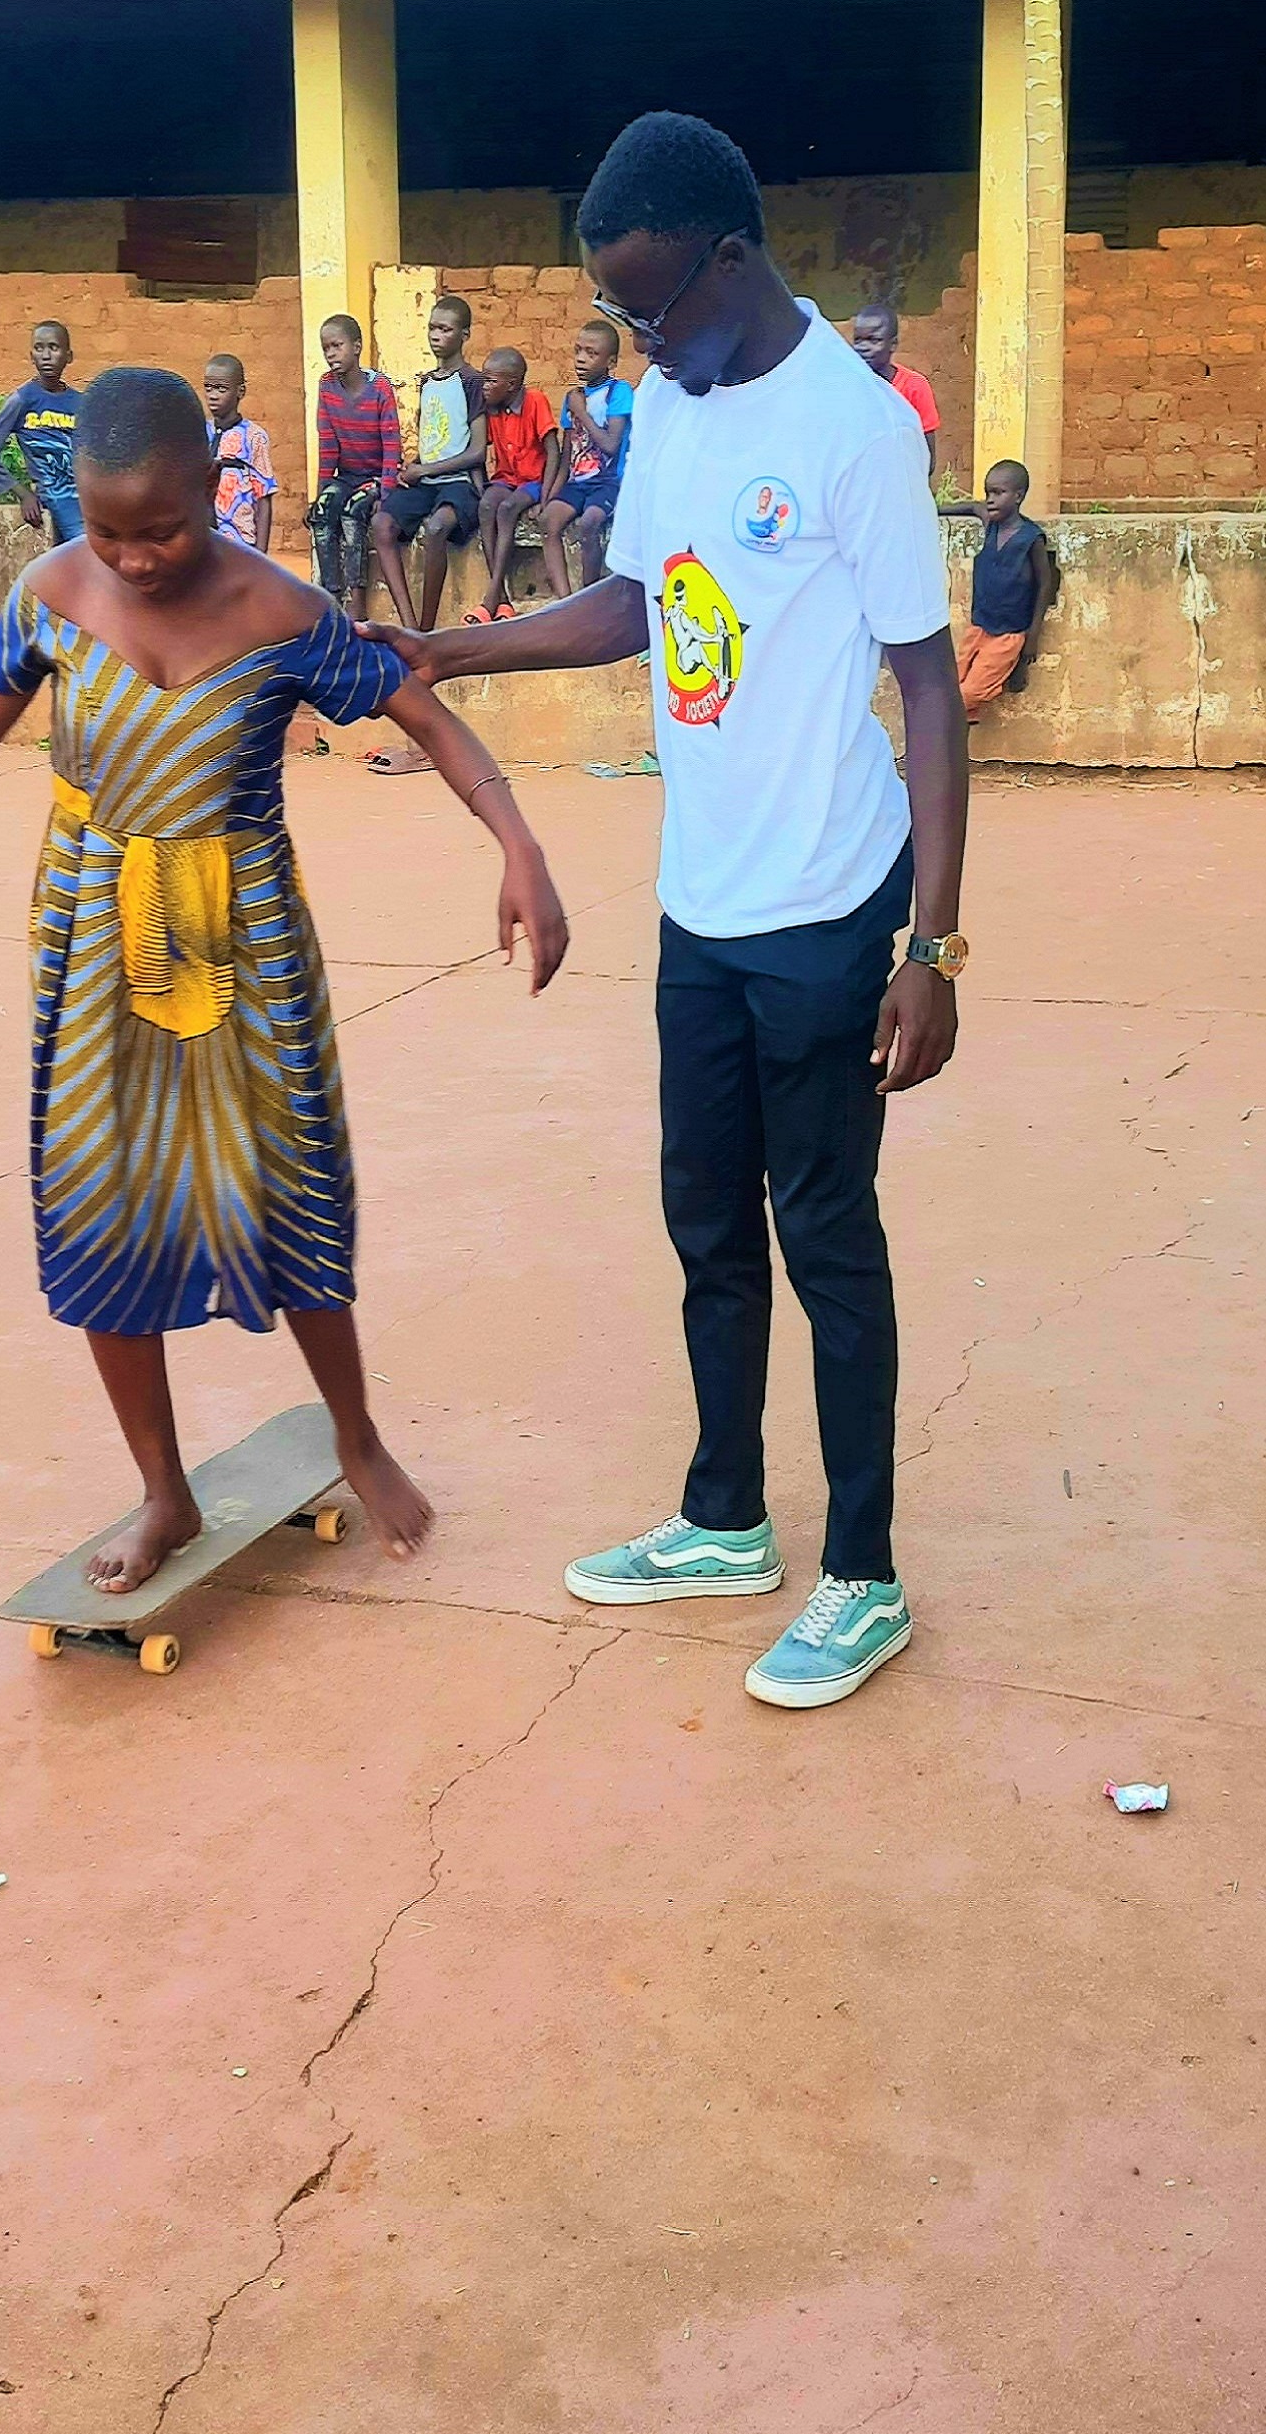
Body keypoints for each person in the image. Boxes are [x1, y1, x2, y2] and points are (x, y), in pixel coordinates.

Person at [0, 364, 569, 1593]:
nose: (131, 557)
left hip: (247, 938)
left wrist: (521, 848)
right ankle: (163, 1489)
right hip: (90, 936)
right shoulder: (46, 595)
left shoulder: (281, 610)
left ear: (215, 487)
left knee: (288, 1179)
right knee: (97, 1189)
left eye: (162, 526)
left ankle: (354, 1431)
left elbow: (425, 719)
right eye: (106, 527)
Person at [368, 110, 968, 1715]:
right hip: (702, 906)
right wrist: (458, 653)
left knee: (825, 1240)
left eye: (655, 308)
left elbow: (927, 686)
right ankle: (723, 1520)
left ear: (730, 257)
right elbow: (634, 603)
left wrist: (932, 943)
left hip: (836, 909)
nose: (639, 341)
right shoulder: (674, 406)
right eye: (621, 319)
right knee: (706, 1222)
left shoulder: (855, 427)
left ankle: (863, 1575)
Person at [369, 292, 486, 639]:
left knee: (437, 529)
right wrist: (415, 466)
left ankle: (426, 628)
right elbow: (432, 439)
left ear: (464, 335)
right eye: (432, 328)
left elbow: (477, 450)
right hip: (427, 480)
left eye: (446, 330)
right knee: (382, 523)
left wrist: (427, 470)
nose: (436, 336)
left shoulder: (472, 382)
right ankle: (407, 622)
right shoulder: (426, 382)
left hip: (458, 481)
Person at [311, 313, 400, 611]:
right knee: (322, 514)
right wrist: (321, 492)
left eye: (337, 345)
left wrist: (385, 493)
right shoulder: (326, 387)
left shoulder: (380, 388)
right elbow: (328, 445)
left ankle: (357, 600)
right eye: (326, 348)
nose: (331, 354)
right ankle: (331, 595)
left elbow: (392, 444)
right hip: (346, 476)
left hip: (373, 478)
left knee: (352, 515)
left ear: (357, 346)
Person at [952, 457, 1053, 715]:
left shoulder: (1030, 539)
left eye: (998, 493)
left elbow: (1044, 585)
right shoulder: (990, 523)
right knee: (948, 685)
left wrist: (1032, 639)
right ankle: (965, 722)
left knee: (967, 694)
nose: (990, 500)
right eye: (988, 492)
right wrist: (929, 509)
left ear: (1018, 496)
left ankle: (959, 717)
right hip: (979, 626)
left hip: (1009, 634)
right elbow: (971, 507)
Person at [466, 346, 560, 620]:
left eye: (491, 381)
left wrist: (545, 498)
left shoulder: (536, 401)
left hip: (534, 480)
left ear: (512, 385)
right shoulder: (491, 407)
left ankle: (490, 598)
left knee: (507, 510)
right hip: (506, 478)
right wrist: (479, 485)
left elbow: (553, 451)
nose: (485, 387)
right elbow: (477, 450)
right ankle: (502, 600)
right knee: (486, 506)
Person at [547, 314, 632, 594]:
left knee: (589, 523)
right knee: (549, 522)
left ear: (611, 362)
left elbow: (610, 445)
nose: (581, 358)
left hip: (608, 482)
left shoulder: (618, 393)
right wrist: (549, 498)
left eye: (591, 353)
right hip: (577, 483)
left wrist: (581, 411)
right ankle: (564, 600)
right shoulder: (573, 396)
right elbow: (566, 454)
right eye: (578, 350)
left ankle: (588, 594)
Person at [0, 322, 85, 544]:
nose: (46, 355)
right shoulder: (23, 400)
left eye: (54, 348)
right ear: (31, 356)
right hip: (55, 496)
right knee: (85, 553)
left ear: (69, 356)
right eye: (39, 348)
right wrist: (23, 493)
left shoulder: (81, 403)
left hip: (89, 499)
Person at [204, 354, 277, 552]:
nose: (213, 395)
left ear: (240, 392)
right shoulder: (199, 433)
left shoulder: (254, 437)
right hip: (203, 540)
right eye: (208, 387)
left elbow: (264, 496)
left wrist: (261, 555)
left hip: (240, 541)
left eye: (221, 389)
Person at [850, 302, 939, 449]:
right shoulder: (849, 386)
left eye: (874, 340)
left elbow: (927, 456)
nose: (863, 348)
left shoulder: (914, 387)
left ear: (893, 344)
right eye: (858, 340)